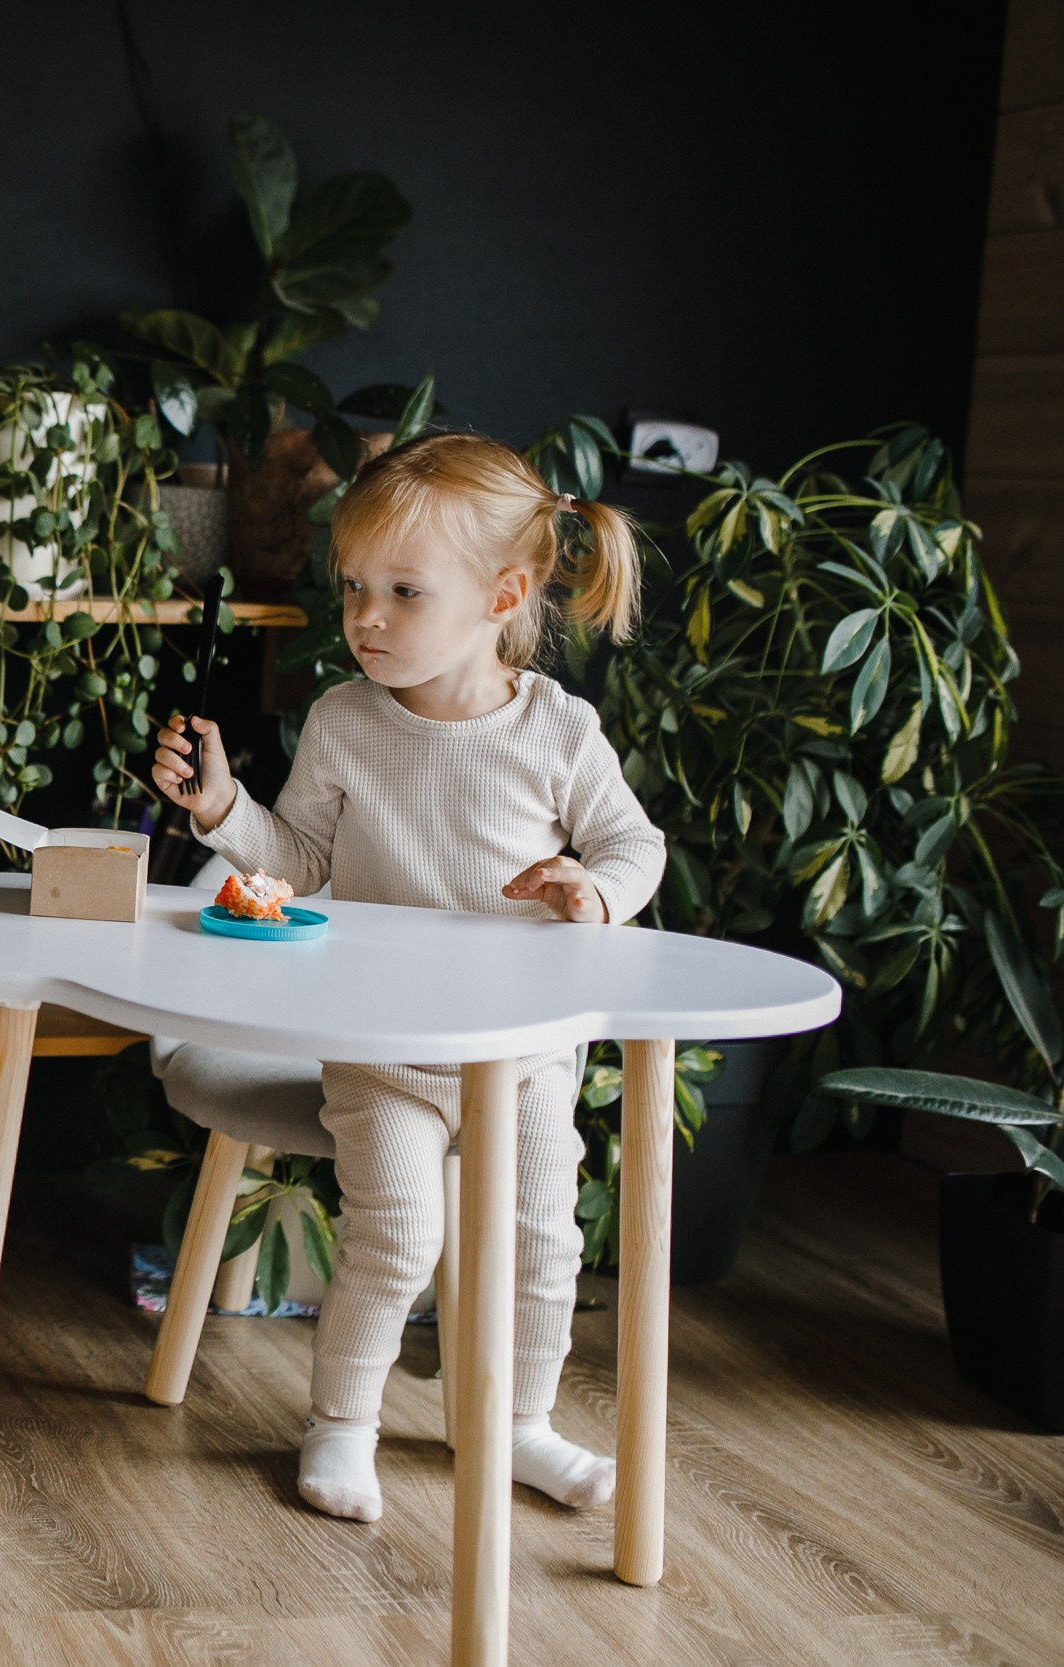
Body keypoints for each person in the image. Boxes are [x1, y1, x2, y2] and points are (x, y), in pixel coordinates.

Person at [150, 431, 666, 1523]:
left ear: (502, 594)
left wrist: (595, 887)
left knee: (542, 1242)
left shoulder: (559, 730)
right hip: (381, 1050)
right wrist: (220, 813)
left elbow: (635, 845)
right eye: (353, 589)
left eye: (401, 591)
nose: (365, 617)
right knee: (397, 1237)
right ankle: (339, 1425)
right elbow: (300, 862)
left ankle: (518, 1423)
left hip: (523, 1052)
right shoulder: (344, 722)